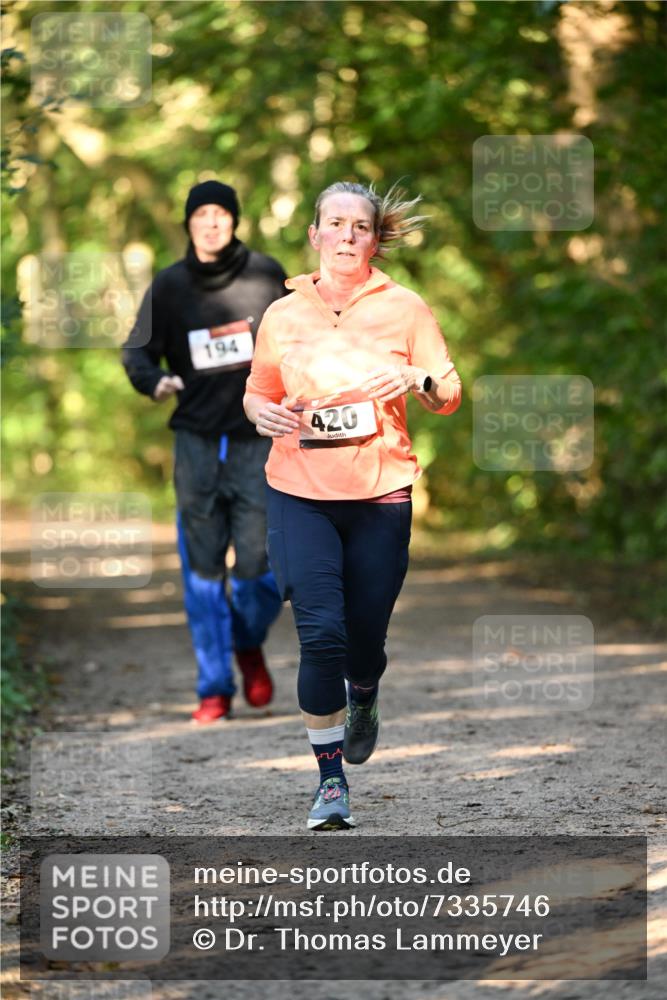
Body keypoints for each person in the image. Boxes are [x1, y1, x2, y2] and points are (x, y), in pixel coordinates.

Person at [243, 181, 462, 829]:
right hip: (298, 492)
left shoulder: (405, 307)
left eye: (359, 226)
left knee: (363, 641)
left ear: (373, 239)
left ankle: (364, 693)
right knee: (320, 636)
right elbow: (258, 391)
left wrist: (417, 378)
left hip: (380, 494)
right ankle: (330, 782)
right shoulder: (283, 313)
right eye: (334, 224)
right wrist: (260, 414)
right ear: (315, 235)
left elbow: (447, 393)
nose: (346, 235)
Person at [122, 179, 286, 722]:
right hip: (195, 443)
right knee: (203, 570)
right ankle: (214, 686)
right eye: (201, 215)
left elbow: (303, 341)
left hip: (257, 443)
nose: (211, 223)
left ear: (234, 221)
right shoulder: (170, 286)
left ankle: (247, 641)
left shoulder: (266, 276)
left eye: (221, 214)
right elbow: (137, 352)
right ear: (189, 223)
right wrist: (155, 381)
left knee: (260, 568)